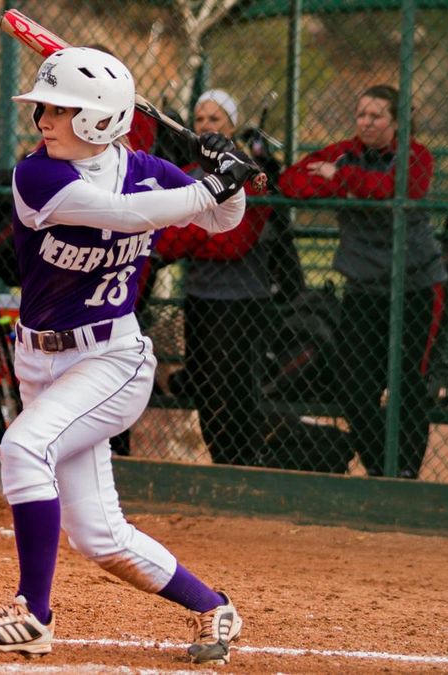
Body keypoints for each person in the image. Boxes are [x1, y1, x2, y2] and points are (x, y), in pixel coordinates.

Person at [0, 47, 253, 665]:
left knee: (23, 448)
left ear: (97, 120)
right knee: (99, 536)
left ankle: (33, 613)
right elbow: (123, 215)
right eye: (44, 110)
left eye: (59, 111)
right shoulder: (36, 175)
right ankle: (213, 608)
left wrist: (225, 172)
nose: (43, 122)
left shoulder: (145, 168)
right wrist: (209, 181)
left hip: (111, 360)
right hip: (39, 360)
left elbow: (224, 219)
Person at [278, 84, 446, 478]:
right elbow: (292, 182)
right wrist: (346, 179)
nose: (367, 123)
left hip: (417, 287)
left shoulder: (415, 155)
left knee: (409, 386)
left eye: (377, 116)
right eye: (362, 115)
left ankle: (405, 473)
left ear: (396, 122)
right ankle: (383, 473)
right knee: (355, 387)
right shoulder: (344, 152)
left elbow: (401, 189)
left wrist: (342, 178)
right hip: (364, 288)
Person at [156, 89, 273, 465]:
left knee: (239, 392)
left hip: (242, 302)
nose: (205, 126)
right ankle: (222, 464)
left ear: (232, 127)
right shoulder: (189, 175)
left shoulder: (250, 174)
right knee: (207, 390)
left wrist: (194, 234)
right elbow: (167, 242)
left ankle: (247, 465)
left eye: (215, 119)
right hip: (202, 298)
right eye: (201, 119)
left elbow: (233, 243)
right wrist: (201, 233)